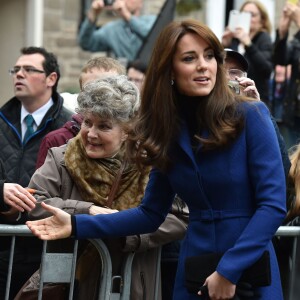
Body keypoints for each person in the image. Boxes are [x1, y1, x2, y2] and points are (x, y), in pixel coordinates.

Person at [27, 19, 286, 300]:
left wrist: (228, 271)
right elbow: (150, 214)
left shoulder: (251, 115)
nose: (204, 65)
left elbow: (272, 205)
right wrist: (76, 224)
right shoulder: (167, 132)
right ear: (170, 70)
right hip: (195, 270)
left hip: (248, 268)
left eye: (209, 56)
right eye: (190, 58)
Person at [22, 75, 186, 299]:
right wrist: (85, 210)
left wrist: (126, 230)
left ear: (127, 130)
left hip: (131, 285)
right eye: (87, 122)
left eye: (104, 126)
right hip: (71, 285)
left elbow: (179, 216)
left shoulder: (150, 163)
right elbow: (34, 201)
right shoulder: (62, 157)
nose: (91, 134)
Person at [0, 46, 73, 299]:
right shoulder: (0, 120)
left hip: (43, 249)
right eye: (16, 69)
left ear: (51, 79)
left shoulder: (69, 127)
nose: (19, 74)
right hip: (2, 245)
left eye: (29, 69)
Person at [36, 56, 126, 169]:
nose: (98, 97)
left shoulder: (136, 144)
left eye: (107, 89)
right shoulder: (57, 140)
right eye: (90, 90)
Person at [224, 48, 291, 179]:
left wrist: (259, 110)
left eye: (234, 72)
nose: (227, 78)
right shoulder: (200, 114)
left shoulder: (252, 116)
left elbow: (282, 169)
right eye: (221, 71)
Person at [222, 0, 273, 105]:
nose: (248, 18)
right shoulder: (235, 40)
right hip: (231, 97)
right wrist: (224, 45)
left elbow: (266, 69)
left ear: (262, 20)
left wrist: (248, 44)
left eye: (252, 15)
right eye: (244, 14)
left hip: (255, 98)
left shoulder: (263, 38)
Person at [78, 0, 156, 62]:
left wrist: (126, 15)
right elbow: (86, 43)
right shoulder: (112, 29)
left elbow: (152, 35)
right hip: (124, 78)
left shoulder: (152, 21)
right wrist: (93, 14)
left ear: (141, 2)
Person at [273, 1, 300, 148]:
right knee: (294, 164)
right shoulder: (297, 38)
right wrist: (282, 34)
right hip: (294, 113)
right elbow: (280, 60)